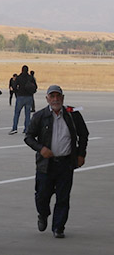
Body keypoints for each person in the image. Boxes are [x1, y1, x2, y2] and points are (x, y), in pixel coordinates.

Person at [24, 85, 89, 238]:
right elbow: (28, 137)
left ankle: (58, 227)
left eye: (58, 96)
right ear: (47, 99)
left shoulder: (73, 115)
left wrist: (81, 154)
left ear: (63, 98)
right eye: (52, 96)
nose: (55, 99)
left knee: (63, 197)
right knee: (42, 196)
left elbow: (84, 134)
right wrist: (41, 149)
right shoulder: (40, 116)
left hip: (66, 164)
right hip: (46, 165)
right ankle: (43, 214)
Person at [11, 65, 38, 135]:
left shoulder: (19, 78)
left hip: (20, 96)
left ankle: (14, 128)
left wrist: (17, 91)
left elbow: (14, 86)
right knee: (27, 114)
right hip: (29, 97)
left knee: (17, 113)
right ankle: (26, 129)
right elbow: (35, 86)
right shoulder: (30, 78)